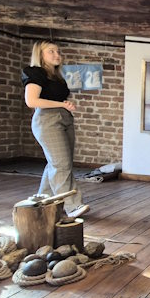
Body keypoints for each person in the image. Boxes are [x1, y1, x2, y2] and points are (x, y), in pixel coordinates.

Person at [22, 41, 89, 218]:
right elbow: (31, 101)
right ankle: (72, 205)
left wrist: (64, 105)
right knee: (61, 164)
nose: (57, 54)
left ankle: (42, 203)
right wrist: (62, 104)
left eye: (58, 51)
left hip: (64, 119)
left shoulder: (56, 77)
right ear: (40, 54)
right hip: (47, 120)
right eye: (51, 51)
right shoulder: (35, 73)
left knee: (58, 163)